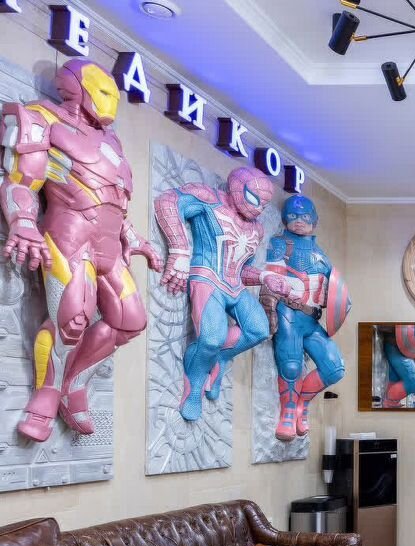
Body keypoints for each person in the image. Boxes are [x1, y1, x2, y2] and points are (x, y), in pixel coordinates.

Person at [0, 58, 161, 441]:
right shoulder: (42, 118)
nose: (110, 101)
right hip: (69, 235)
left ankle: (74, 385)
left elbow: (112, 201)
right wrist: (23, 220)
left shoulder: (113, 144)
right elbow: (19, 180)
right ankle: (46, 393)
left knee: (131, 321)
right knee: (71, 320)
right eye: (103, 90)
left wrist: (132, 237)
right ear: (75, 85)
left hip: (109, 247)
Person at [154, 167, 302, 421]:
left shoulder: (256, 229)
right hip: (207, 277)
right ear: (236, 187)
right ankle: (195, 383)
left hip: (234, 285)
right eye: (255, 199)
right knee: (211, 338)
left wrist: (265, 277)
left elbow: (242, 270)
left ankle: (218, 359)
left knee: (259, 329)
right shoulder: (209, 199)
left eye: (264, 204)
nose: (258, 208)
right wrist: (179, 250)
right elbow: (167, 201)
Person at [261, 195, 348, 439]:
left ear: (314, 220)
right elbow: (271, 278)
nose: (299, 221)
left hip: (312, 319)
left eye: (305, 216)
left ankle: (301, 404)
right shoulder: (280, 244)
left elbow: (333, 291)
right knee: (291, 366)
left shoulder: (321, 255)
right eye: (293, 216)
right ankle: (287, 413)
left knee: (334, 368)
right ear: (284, 218)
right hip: (288, 312)